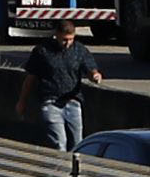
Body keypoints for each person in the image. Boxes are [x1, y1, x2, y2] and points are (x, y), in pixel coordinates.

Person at [18, 23, 102, 153]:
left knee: (77, 143)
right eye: (64, 39)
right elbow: (30, 79)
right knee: (59, 143)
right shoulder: (42, 51)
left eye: (70, 39)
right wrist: (22, 101)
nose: (67, 43)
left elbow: (89, 68)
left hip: (72, 102)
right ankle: (60, 171)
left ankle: (75, 171)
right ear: (56, 35)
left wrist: (95, 75)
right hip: (51, 103)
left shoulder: (79, 50)